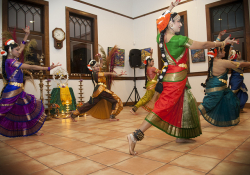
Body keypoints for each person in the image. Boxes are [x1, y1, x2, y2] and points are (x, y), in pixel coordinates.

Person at [127, 0, 238, 155]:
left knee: (188, 103)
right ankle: (135, 135)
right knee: (162, 108)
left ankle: (181, 135)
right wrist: (220, 43)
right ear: (171, 24)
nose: (180, 24)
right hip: (175, 81)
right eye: (178, 21)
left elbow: (162, 21)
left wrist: (171, 7)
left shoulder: (162, 36)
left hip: (177, 79)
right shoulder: (179, 40)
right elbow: (204, 45)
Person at [0, 26, 61, 137]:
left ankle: (30, 131)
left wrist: (27, 35)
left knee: (24, 110)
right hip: (13, 89)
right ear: (10, 50)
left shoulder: (13, 58)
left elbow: (22, 47)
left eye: (18, 50)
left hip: (18, 89)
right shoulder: (10, 61)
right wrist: (47, 68)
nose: (19, 51)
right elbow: (30, 66)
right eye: (17, 50)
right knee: (3, 110)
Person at [68, 54, 126, 122]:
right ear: (92, 68)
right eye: (96, 66)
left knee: (89, 104)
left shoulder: (97, 71)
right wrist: (117, 74)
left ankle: (73, 114)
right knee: (116, 100)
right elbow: (108, 73)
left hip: (97, 91)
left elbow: (101, 63)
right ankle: (112, 117)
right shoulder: (96, 73)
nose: (98, 67)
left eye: (98, 66)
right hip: (102, 90)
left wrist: (100, 58)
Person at [130, 49, 161, 114]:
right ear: (149, 62)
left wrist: (151, 54)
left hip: (152, 85)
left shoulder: (147, 68)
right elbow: (160, 71)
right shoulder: (152, 68)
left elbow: (149, 60)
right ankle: (134, 109)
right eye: (152, 61)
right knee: (146, 98)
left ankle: (157, 109)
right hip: (152, 86)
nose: (153, 62)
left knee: (156, 97)